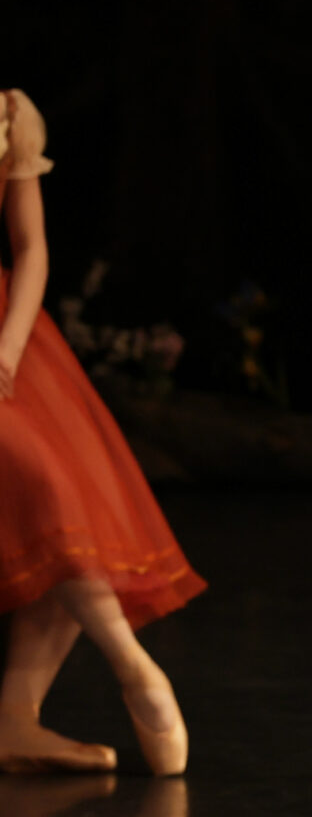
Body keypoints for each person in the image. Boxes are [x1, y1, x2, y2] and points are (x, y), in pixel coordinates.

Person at [0, 89, 199, 777]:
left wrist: (8, 347)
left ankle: (15, 719)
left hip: (12, 339)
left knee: (69, 505)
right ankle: (135, 668)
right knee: (43, 489)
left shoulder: (9, 113)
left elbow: (32, 249)